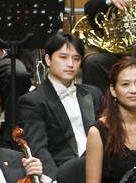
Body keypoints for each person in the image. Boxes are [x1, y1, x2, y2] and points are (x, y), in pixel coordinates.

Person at [17, 32, 102, 168]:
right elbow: (38, 149)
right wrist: (55, 178)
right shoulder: (31, 101)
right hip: (62, 171)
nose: (70, 64)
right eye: (63, 57)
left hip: (99, 167)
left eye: (76, 58)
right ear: (48, 59)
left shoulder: (94, 93)